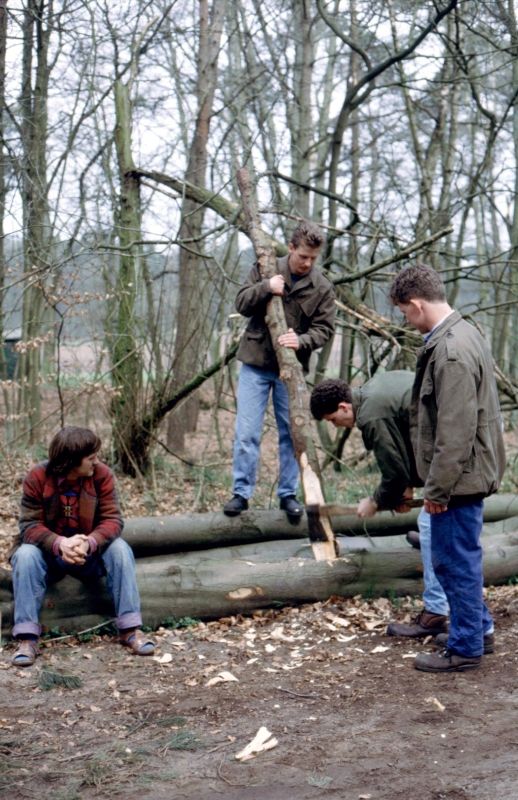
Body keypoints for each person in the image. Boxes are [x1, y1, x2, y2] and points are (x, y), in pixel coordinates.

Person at [388, 263, 505, 673]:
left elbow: (455, 431)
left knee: (453, 563)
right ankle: (478, 632)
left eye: (404, 310)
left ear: (417, 305)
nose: (405, 318)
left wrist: (435, 491)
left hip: (458, 479)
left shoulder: (451, 350)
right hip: (464, 475)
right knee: (458, 560)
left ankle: (465, 648)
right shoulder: (462, 334)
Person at [310, 372, 449, 640]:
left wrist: (375, 501)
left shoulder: (372, 415)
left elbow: (393, 473)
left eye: (333, 420)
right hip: (450, 448)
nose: (336, 426)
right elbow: (409, 433)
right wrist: (405, 488)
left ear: (343, 407)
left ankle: (435, 615)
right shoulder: (373, 391)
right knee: (428, 525)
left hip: (455, 453)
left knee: (433, 533)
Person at [10, 426, 154, 667]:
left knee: (120, 549)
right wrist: (60, 544)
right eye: (91, 458)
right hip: (48, 556)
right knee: (24, 554)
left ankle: (130, 629)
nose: (96, 462)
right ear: (70, 462)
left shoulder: (101, 474)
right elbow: (29, 525)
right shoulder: (36, 477)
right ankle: (27, 638)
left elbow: (113, 520)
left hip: (90, 554)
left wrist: (90, 542)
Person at [224, 221, 335, 518]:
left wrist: (302, 341)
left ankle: (288, 495)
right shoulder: (265, 267)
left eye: (313, 258)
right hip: (255, 365)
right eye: (302, 256)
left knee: (292, 433)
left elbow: (325, 330)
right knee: (247, 432)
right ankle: (241, 493)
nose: (307, 263)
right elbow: (241, 302)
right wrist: (266, 287)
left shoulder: (323, 286)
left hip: (293, 370)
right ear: (290, 248)